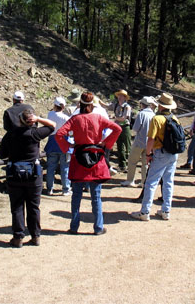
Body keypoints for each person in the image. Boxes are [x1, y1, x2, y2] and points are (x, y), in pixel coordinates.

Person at [55, 92, 122, 235]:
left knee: (76, 195)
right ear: (92, 105)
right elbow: (118, 128)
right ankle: (98, 227)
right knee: (96, 196)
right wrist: (106, 143)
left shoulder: (75, 119)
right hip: (96, 159)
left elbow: (59, 134)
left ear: (80, 104)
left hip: (78, 158)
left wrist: (68, 147)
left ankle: (74, 227)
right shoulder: (98, 117)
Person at [2, 109, 56, 248]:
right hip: (33, 174)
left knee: (17, 207)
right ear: (31, 121)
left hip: (15, 174)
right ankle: (35, 236)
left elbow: (2, 154)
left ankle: (18, 237)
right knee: (33, 206)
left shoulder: (11, 134)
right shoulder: (34, 134)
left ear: (19, 120)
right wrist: (38, 119)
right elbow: (52, 125)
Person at [130, 93, 180, 221]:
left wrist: (148, 154)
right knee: (168, 182)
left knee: (151, 182)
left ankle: (145, 211)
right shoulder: (174, 118)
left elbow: (151, 139)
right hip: (173, 154)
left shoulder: (157, 119)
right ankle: (165, 210)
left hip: (160, 153)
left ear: (160, 106)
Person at [121, 96, 157, 187]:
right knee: (145, 163)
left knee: (132, 161)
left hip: (139, 142)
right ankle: (143, 182)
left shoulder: (142, 114)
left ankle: (130, 180)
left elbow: (136, 128)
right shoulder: (153, 115)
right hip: (149, 143)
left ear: (142, 104)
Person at [44, 97, 71, 196]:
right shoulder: (66, 118)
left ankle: (49, 188)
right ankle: (65, 189)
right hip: (63, 142)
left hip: (52, 142)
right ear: (63, 107)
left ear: (55, 105)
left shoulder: (50, 115)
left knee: (51, 167)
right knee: (65, 167)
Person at [100, 89, 132, 172]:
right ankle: (122, 166)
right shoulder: (115, 105)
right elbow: (106, 106)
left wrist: (114, 118)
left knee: (128, 147)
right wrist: (99, 101)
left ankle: (131, 165)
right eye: (119, 95)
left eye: (121, 96)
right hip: (117, 128)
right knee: (120, 146)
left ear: (125, 98)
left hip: (125, 127)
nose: (119, 97)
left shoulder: (127, 107)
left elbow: (124, 118)